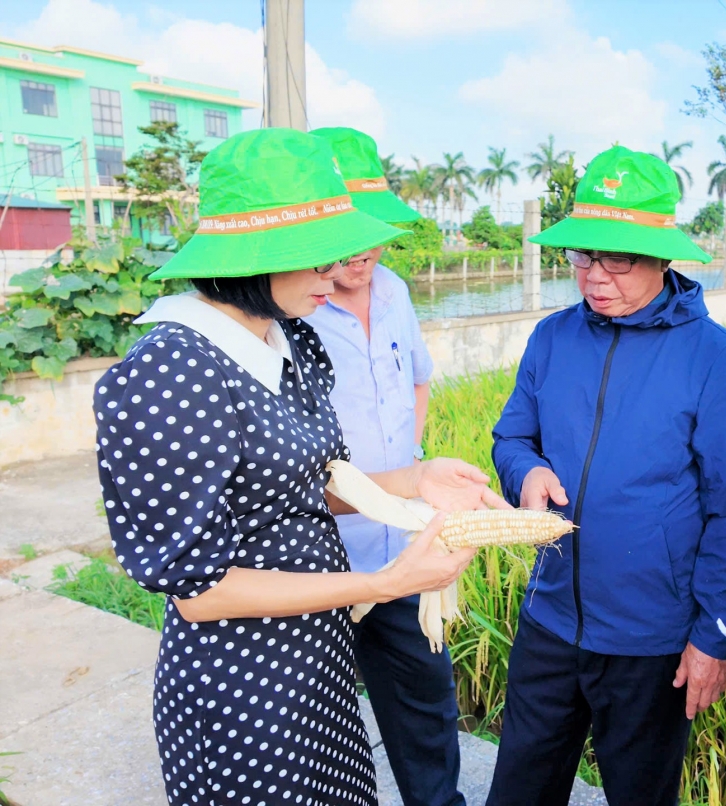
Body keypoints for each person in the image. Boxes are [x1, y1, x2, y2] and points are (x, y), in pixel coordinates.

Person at [94, 128, 505, 806]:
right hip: (248, 691)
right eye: (319, 257)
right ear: (255, 258)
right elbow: (203, 592)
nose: (336, 271)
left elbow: (307, 484)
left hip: (317, 658)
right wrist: (386, 579)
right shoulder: (170, 372)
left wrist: (413, 479)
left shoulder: (289, 339)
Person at [486, 146, 726, 806]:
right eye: (585, 255)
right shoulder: (552, 338)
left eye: (619, 258)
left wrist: (711, 637)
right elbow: (511, 436)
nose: (595, 275)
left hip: (651, 643)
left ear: (662, 257)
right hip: (551, 619)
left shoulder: (717, 359)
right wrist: (524, 473)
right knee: (518, 790)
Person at [304, 127, 461, 806]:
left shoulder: (394, 290)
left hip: (400, 547)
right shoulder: (287, 314)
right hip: (315, 556)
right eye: (341, 232)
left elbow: (418, 381)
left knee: (427, 700)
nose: (361, 250)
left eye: (372, 229)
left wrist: (410, 469)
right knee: (312, 712)